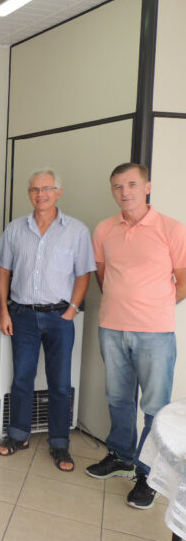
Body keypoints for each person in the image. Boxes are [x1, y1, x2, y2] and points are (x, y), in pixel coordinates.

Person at [86, 162, 186, 509]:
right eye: (117, 186)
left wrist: (155, 305)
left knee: (155, 407)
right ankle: (121, 456)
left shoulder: (171, 228)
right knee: (118, 398)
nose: (124, 192)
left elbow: (184, 278)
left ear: (147, 187)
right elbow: (103, 276)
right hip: (112, 328)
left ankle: (148, 475)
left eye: (131, 184)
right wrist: (124, 304)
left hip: (155, 333)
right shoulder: (104, 229)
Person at [0, 168, 94, 472]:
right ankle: (18, 435)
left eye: (47, 189)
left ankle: (59, 443)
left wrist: (72, 309)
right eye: (35, 189)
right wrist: (4, 310)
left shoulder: (76, 231)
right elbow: (3, 272)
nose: (41, 195)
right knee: (22, 379)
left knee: (60, 384)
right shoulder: (15, 229)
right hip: (22, 315)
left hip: (59, 317)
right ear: (30, 194)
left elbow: (83, 274)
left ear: (58, 193)